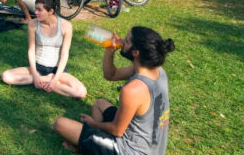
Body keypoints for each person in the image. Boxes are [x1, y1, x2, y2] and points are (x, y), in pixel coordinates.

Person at [53, 26, 174, 155]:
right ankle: (91, 144)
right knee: (99, 104)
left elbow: (117, 130)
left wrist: (94, 124)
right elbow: (111, 75)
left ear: (135, 52)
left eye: (126, 41)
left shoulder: (133, 90)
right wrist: (110, 51)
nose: (121, 41)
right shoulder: (157, 70)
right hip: (151, 146)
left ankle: (89, 145)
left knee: (60, 124)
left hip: (131, 151)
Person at [1, 0, 87, 98]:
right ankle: (46, 79)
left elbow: (65, 54)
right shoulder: (33, 24)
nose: (35, 12)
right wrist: (35, 74)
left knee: (80, 92)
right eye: (35, 9)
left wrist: (55, 78)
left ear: (51, 11)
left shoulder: (66, 26)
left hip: (57, 70)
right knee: (6, 77)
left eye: (39, 10)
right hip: (38, 67)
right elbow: (31, 50)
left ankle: (51, 80)